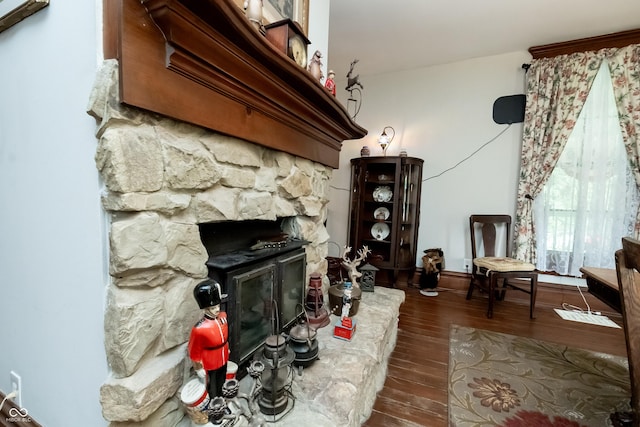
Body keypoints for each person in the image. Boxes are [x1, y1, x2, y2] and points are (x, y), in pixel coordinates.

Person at [188, 279, 230, 400]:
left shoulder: (223, 317)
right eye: (213, 308)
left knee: (222, 380)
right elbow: (194, 350)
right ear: (206, 309)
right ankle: (214, 407)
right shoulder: (199, 328)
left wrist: (227, 349)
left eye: (217, 306)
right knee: (212, 385)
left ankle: (222, 401)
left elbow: (224, 337)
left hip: (222, 356)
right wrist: (198, 367)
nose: (217, 309)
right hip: (210, 360)